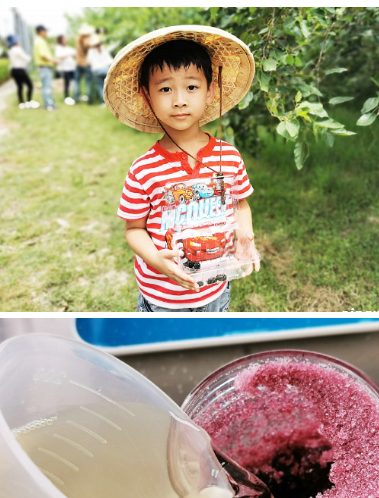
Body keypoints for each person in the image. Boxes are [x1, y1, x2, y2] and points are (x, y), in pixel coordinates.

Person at [106, 26, 261, 312]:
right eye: (165, 88)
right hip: (163, 298)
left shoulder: (229, 156)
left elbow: (241, 205)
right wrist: (155, 259)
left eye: (191, 86)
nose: (179, 99)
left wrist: (245, 236)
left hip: (216, 288)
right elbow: (134, 230)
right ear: (146, 95)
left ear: (210, 91)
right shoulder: (144, 169)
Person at [6, 35, 37, 109]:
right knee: (30, 85)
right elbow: (26, 58)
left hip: (13, 70)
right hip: (20, 70)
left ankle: (21, 103)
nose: (19, 41)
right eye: (18, 40)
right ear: (15, 42)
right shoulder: (17, 49)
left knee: (19, 87)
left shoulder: (10, 50)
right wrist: (31, 57)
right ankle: (29, 102)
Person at [33, 25, 57, 111]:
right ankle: (48, 104)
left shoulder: (40, 41)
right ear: (41, 31)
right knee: (47, 87)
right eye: (45, 31)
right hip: (44, 67)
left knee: (47, 86)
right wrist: (54, 61)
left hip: (44, 67)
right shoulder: (40, 41)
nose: (46, 33)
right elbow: (43, 56)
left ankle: (49, 103)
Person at [74, 24, 95, 103]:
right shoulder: (87, 40)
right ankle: (90, 99)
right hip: (86, 63)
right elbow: (90, 49)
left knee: (77, 81)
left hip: (78, 62)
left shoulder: (77, 39)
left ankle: (76, 97)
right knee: (89, 82)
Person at [55, 34, 77, 105]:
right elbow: (60, 56)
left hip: (72, 68)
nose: (66, 40)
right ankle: (66, 97)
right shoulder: (58, 48)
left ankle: (75, 96)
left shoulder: (68, 48)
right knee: (66, 83)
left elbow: (75, 54)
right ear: (61, 40)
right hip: (64, 69)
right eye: (65, 39)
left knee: (75, 82)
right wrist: (69, 54)